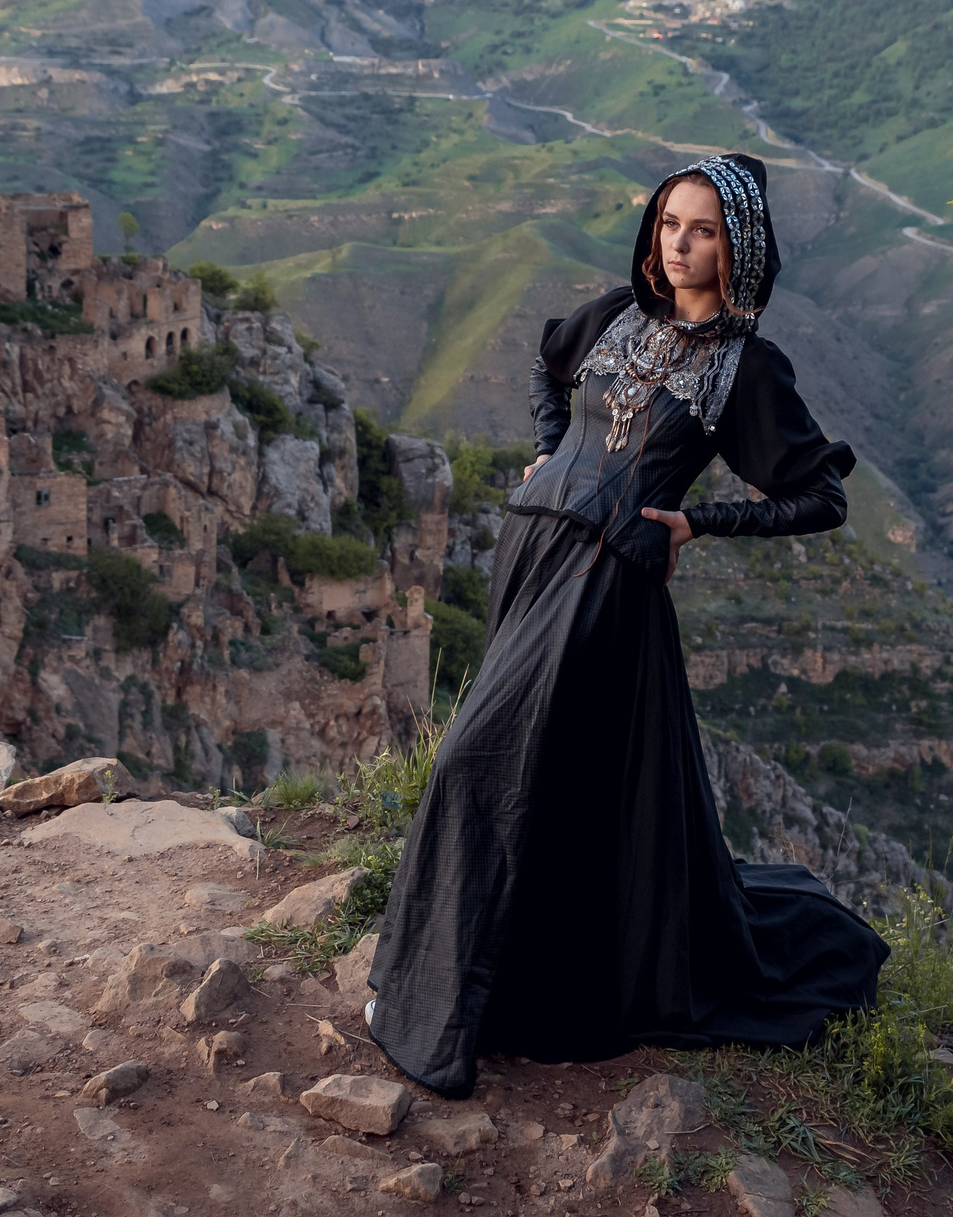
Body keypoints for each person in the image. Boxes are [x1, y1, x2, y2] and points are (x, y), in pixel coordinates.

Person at [366, 152, 888, 1099]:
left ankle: (432, 1007)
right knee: (551, 785)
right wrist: (544, 451)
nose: (678, 246)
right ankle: (486, 984)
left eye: (702, 232)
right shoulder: (615, 313)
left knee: (473, 762)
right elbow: (546, 358)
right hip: (529, 557)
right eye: (668, 225)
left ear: (739, 250)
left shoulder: (745, 368)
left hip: (604, 587)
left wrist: (701, 519)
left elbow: (821, 497)